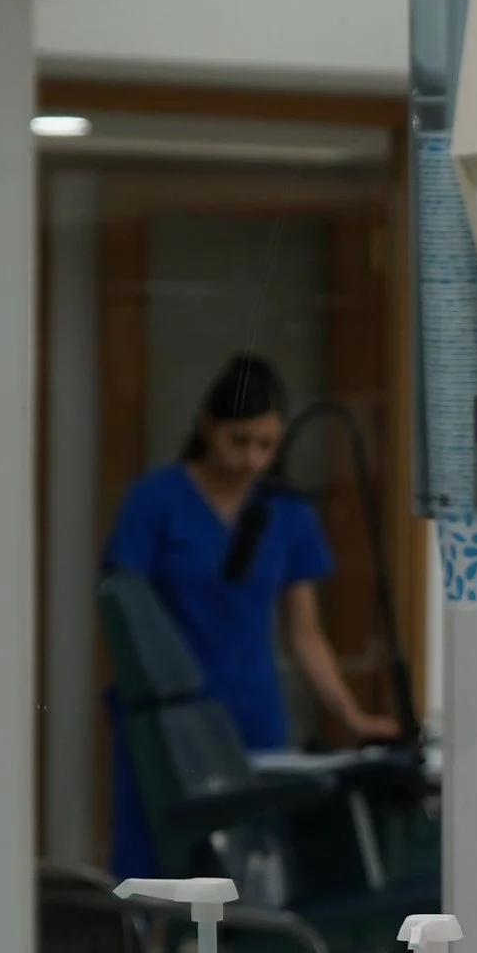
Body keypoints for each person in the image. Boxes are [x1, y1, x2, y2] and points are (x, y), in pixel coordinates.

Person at [103, 353, 397, 875]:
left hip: (252, 709)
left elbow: (305, 634)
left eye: (266, 446)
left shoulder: (287, 514)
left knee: (252, 862)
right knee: (153, 854)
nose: (252, 461)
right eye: (238, 442)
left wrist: (351, 716)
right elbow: (122, 611)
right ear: (207, 427)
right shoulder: (154, 503)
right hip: (165, 718)